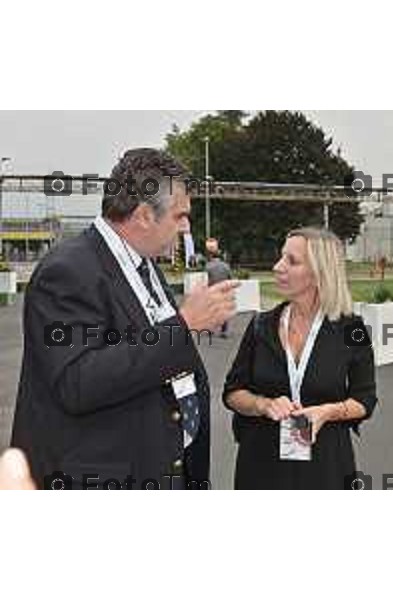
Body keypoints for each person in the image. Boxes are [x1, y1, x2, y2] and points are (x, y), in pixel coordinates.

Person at [10, 148, 238, 490]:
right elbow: (79, 383)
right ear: (145, 215)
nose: (187, 227)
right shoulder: (68, 271)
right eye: (180, 216)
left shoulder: (144, 265)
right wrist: (184, 325)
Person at [223, 228, 378, 489]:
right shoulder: (261, 325)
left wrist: (326, 412)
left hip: (326, 468)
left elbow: (365, 399)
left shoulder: (352, 329)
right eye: (281, 257)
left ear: (320, 272)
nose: (277, 267)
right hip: (261, 467)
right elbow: (232, 392)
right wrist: (263, 404)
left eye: (292, 261)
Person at [206, 249, 232, 338]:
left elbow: (207, 279)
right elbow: (230, 278)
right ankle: (224, 331)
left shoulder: (208, 266)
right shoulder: (226, 266)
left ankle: (211, 329)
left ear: (212, 256)